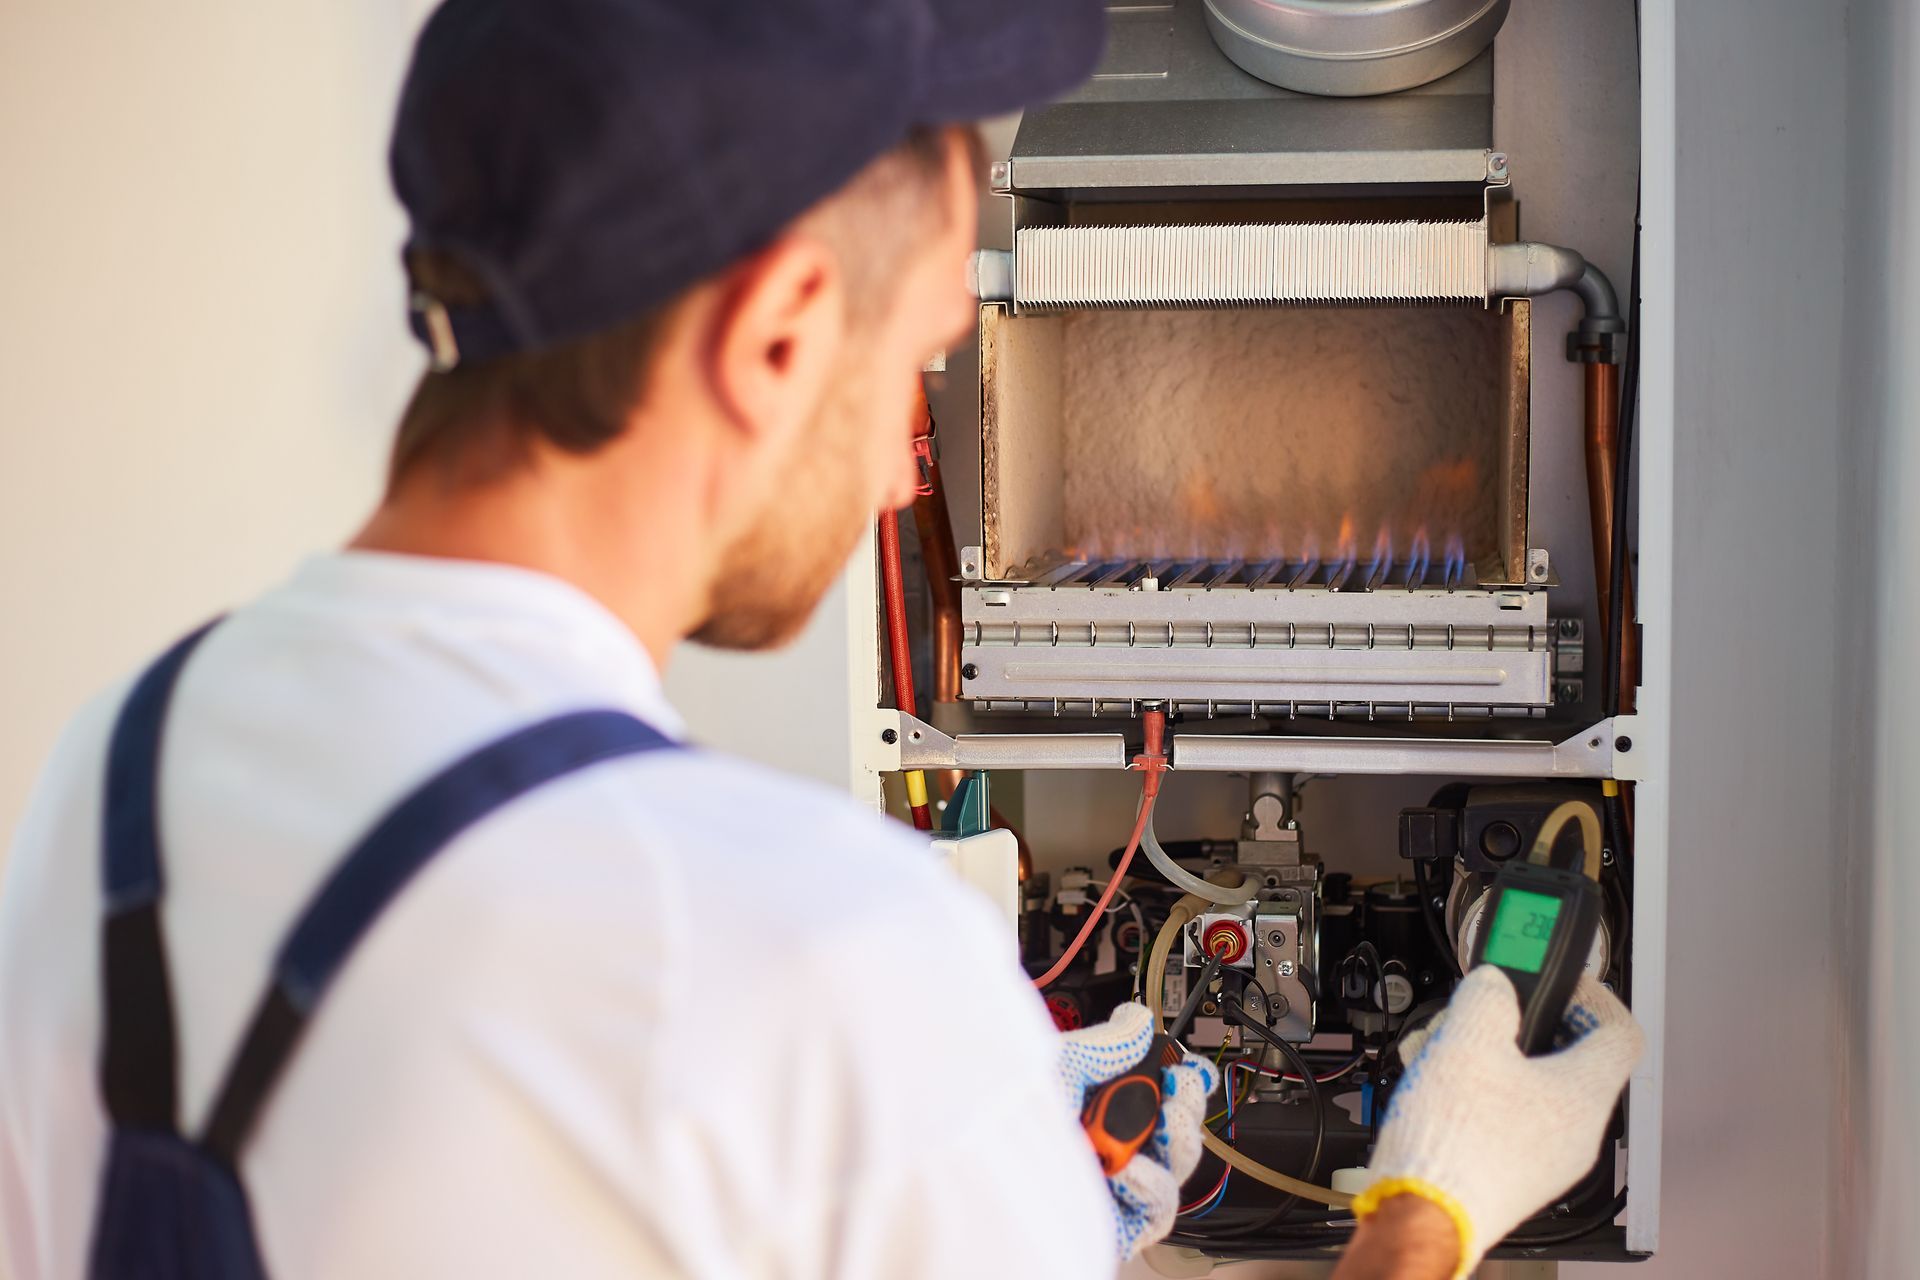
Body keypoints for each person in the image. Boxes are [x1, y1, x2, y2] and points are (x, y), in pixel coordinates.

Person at [0, 1, 1642, 1277]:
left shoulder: (120, 767)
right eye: (909, 372)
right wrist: (1432, 1205)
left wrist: (954, 1173)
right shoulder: (802, 945)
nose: (889, 478)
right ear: (781, 332)